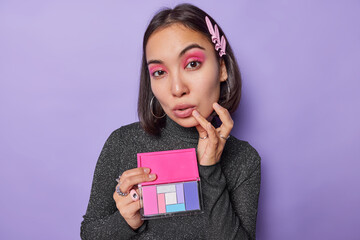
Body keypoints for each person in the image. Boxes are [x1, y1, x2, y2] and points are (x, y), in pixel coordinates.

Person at [81, 3, 261, 240]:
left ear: (222, 69)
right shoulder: (122, 143)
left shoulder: (243, 160)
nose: (177, 89)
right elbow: (90, 234)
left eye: (192, 64)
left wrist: (210, 170)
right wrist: (126, 222)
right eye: (159, 72)